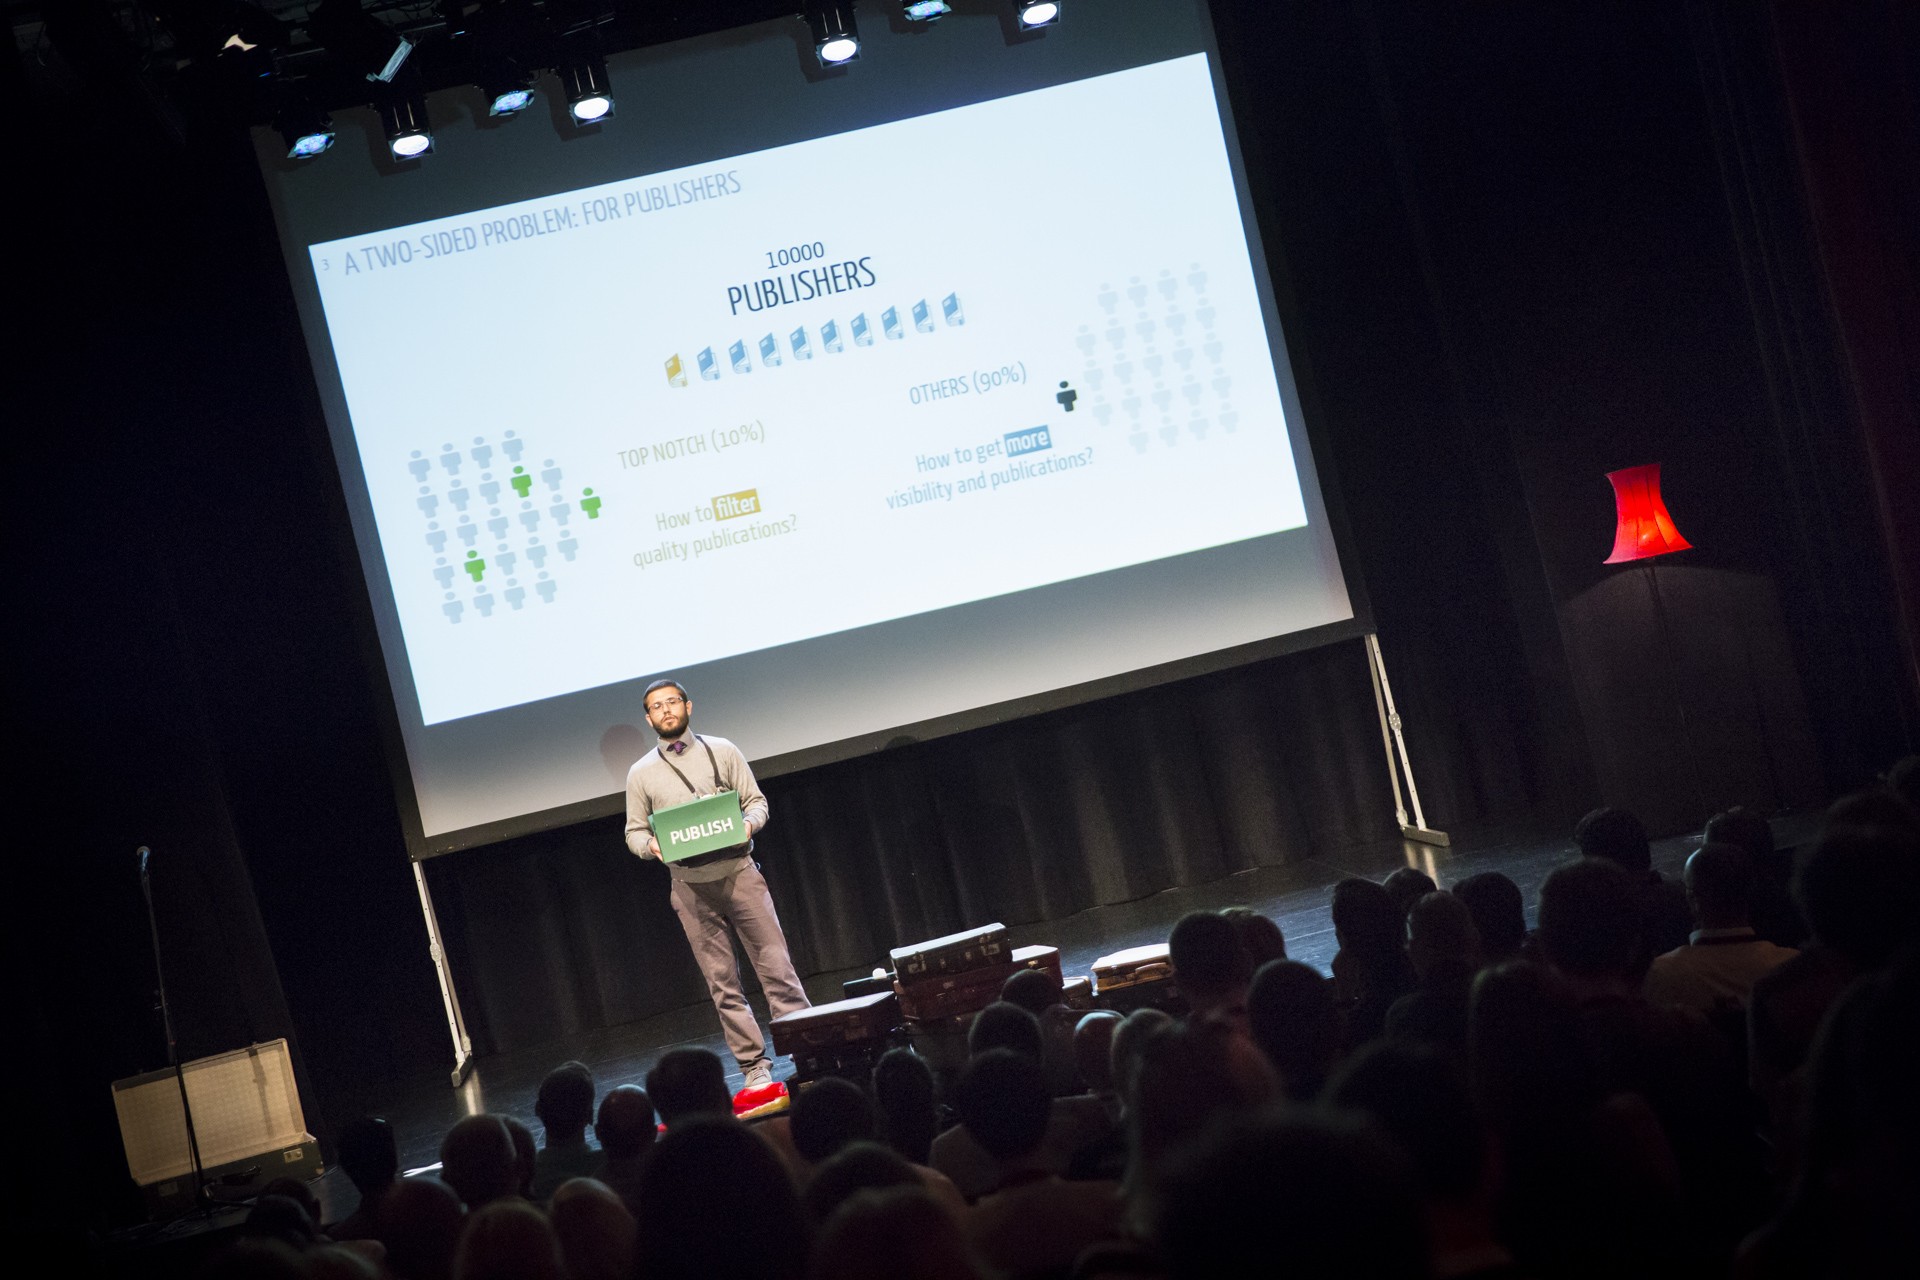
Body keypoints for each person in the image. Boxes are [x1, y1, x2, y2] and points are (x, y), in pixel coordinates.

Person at [624, 678, 811, 1089]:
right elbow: (633, 832)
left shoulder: (723, 750)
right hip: (689, 886)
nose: (666, 710)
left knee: (777, 968)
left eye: (673, 702)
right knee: (722, 984)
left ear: (688, 706)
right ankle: (754, 1066)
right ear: (648, 718)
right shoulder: (641, 773)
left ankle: (807, 1047)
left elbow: (757, 802)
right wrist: (651, 845)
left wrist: (748, 824)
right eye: (657, 706)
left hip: (739, 874)